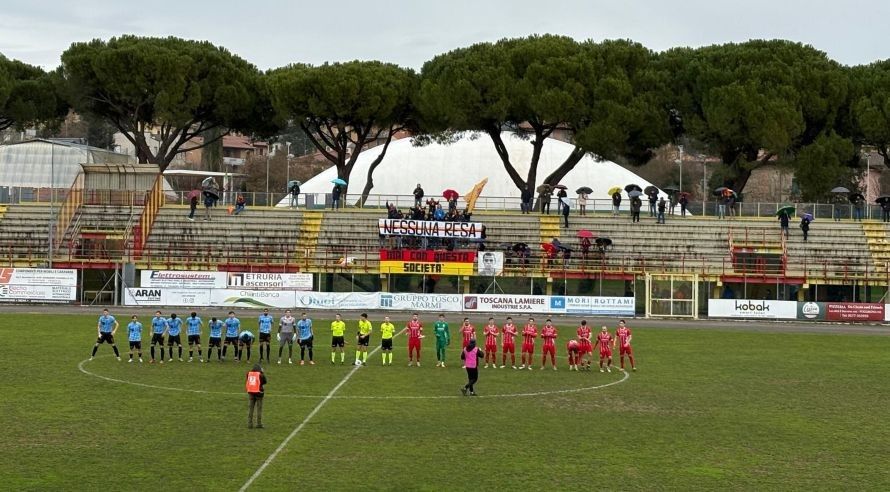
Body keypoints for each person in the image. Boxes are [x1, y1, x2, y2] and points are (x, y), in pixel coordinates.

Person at [245, 363, 267, 429]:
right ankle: (259, 423)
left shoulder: (248, 373)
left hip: (250, 392)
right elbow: (265, 381)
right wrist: (262, 372)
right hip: (258, 393)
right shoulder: (260, 374)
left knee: (251, 409)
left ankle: (249, 424)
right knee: (259, 409)